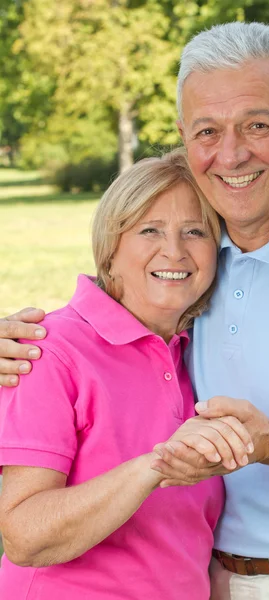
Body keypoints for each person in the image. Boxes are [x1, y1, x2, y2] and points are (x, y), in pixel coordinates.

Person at [1, 20, 269, 599]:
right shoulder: (185, 278)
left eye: (258, 125)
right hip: (213, 581)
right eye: (208, 131)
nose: (231, 153)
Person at [0, 148, 254, 600]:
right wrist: (157, 465)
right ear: (110, 251)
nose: (174, 251)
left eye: (194, 231)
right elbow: (24, 535)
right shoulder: (50, 350)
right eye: (149, 230)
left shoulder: (202, 352)